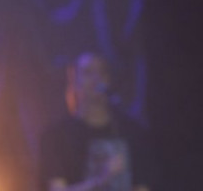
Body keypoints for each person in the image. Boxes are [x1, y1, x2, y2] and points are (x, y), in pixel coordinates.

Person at [39, 53, 155, 191]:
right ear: (74, 82)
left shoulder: (133, 133)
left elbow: (142, 187)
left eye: (102, 72)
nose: (96, 78)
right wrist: (100, 180)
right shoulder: (56, 137)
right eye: (88, 72)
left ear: (109, 80)